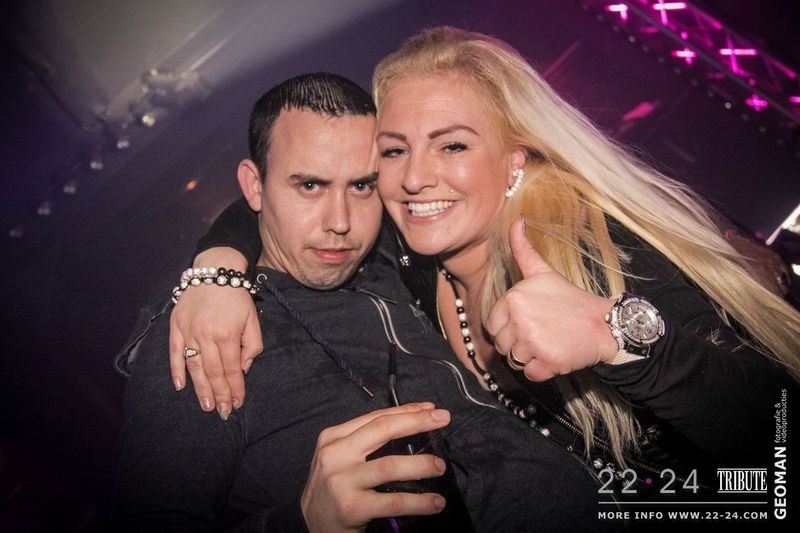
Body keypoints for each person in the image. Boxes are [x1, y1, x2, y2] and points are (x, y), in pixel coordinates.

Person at [172, 25, 800, 495]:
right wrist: (216, 271)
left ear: (514, 160)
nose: (414, 178)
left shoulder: (596, 250)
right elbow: (287, 194)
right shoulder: (407, 251)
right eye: (394, 151)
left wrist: (620, 339)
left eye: (452, 146)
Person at [110, 72, 615, 532]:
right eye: (310, 185)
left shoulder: (399, 252)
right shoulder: (203, 335)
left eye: (362, 185)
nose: (341, 221)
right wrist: (304, 522)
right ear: (254, 186)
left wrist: (217, 261)